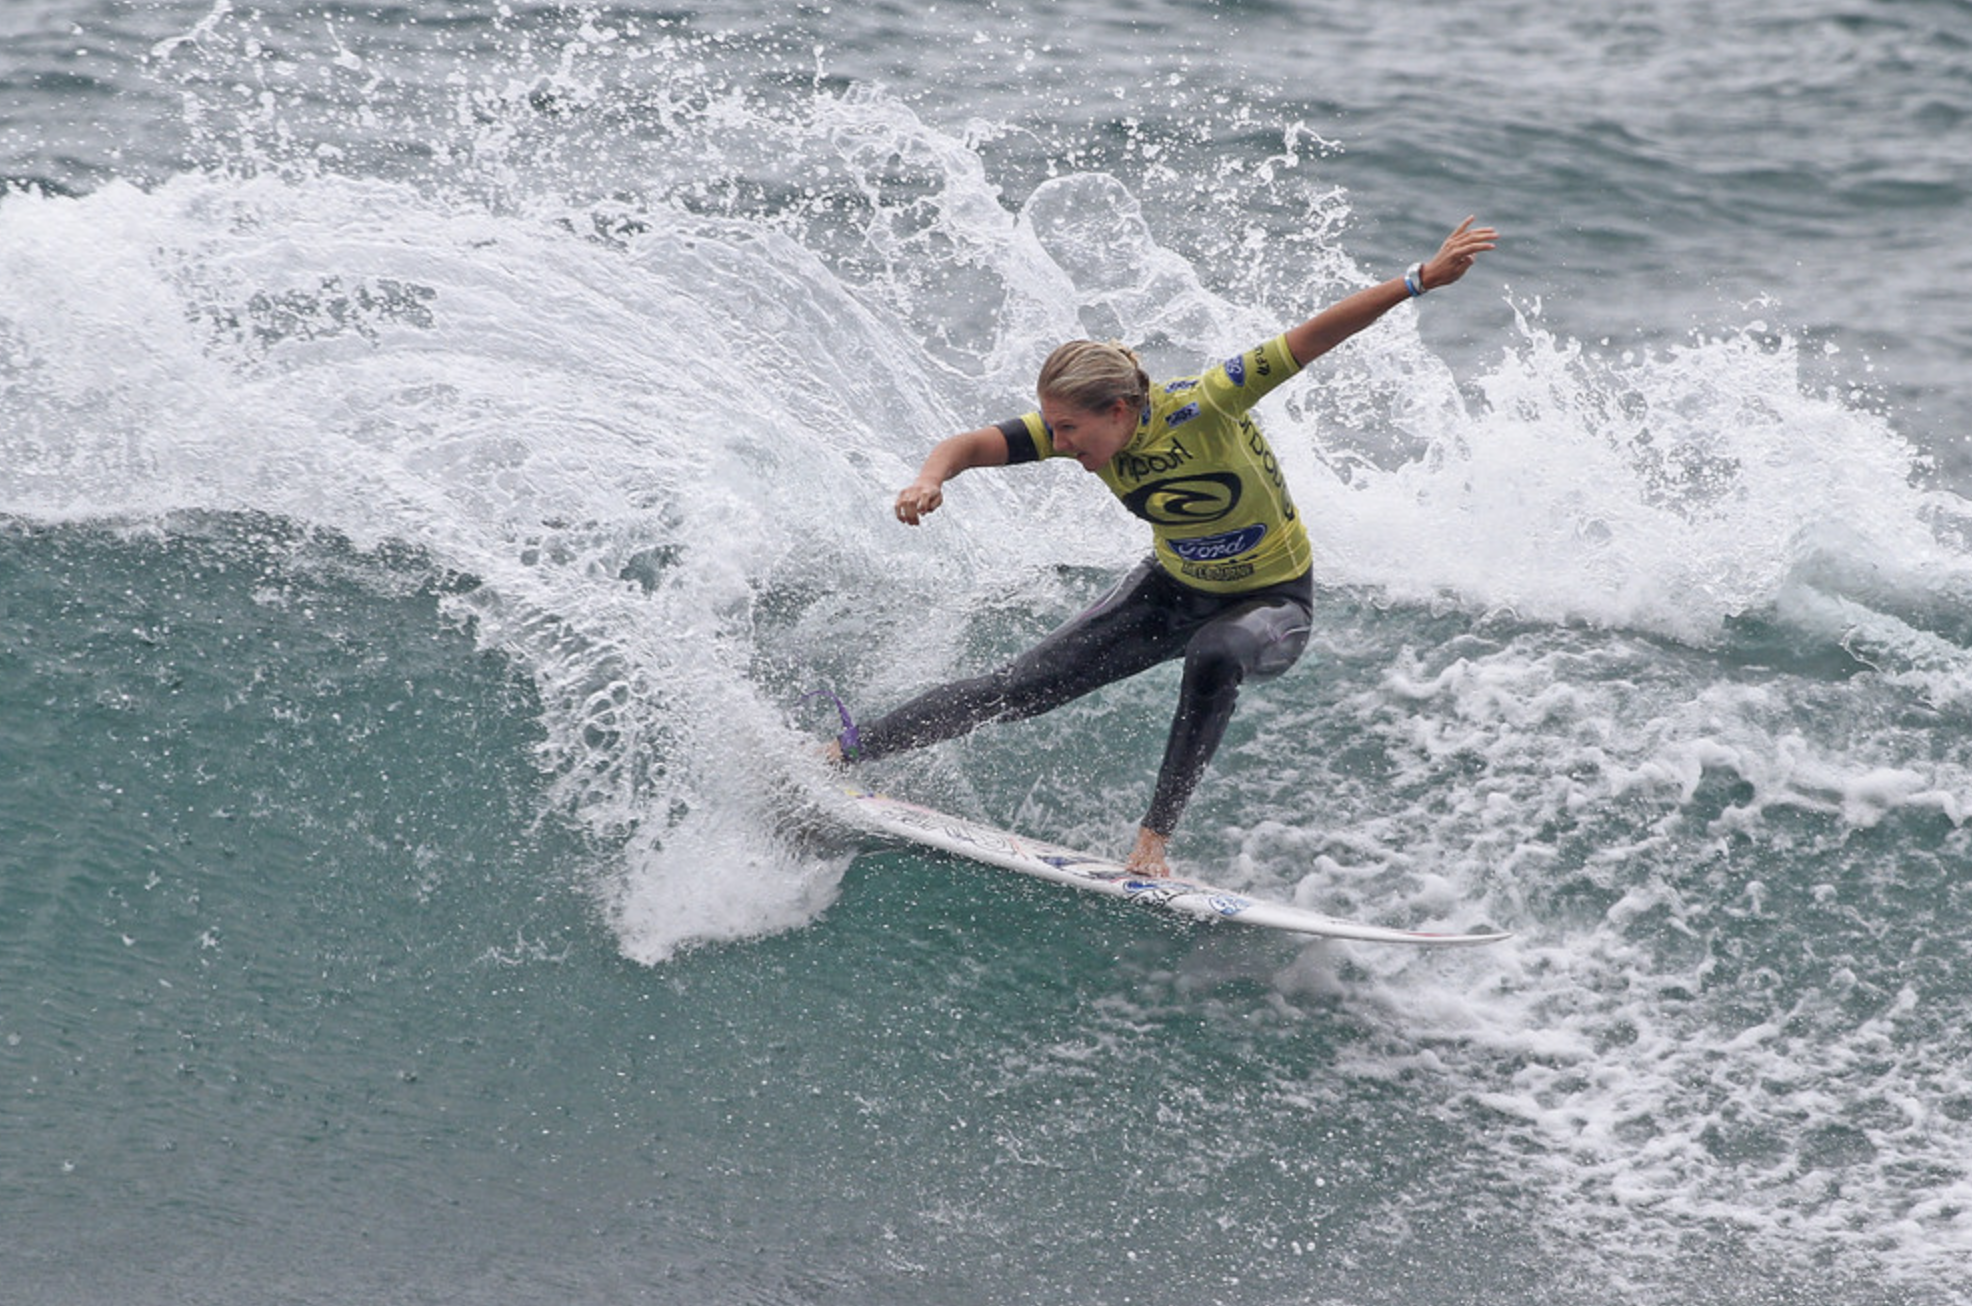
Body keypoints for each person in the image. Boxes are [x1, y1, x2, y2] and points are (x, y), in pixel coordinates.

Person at [828, 217, 1500, 875]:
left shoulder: (1209, 403)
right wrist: (928, 479)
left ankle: (1152, 845)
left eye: (1068, 430)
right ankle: (836, 755)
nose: (1057, 446)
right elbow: (970, 445)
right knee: (1017, 689)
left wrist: (1419, 280)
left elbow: (1315, 336)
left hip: (1271, 603)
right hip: (1170, 592)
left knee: (1216, 653)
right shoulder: (1080, 429)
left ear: (1117, 411)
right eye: (1051, 429)